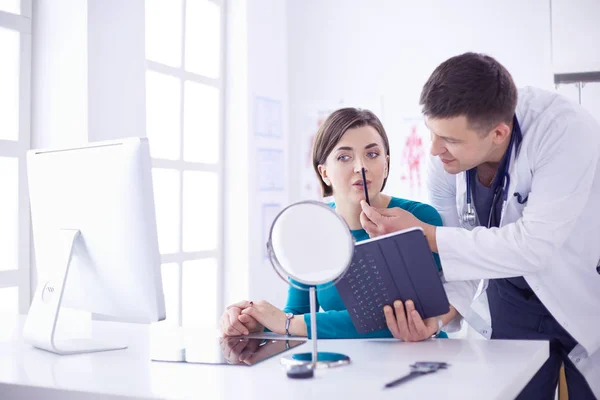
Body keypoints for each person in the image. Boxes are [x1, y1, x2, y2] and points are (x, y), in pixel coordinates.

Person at [359, 52, 600, 399]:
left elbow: (533, 247)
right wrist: (439, 317)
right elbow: (466, 255)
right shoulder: (444, 158)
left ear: (498, 133)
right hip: (510, 301)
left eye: (450, 140)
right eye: (432, 132)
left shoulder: (563, 131)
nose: (434, 150)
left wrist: (423, 235)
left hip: (578, 292)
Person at [219, 107, 456, 351]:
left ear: (386, 165)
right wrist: (256, 322)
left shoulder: (419, 219)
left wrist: (285, 323)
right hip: (347, 368)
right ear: (324, 173)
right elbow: (297, 314)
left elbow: (398, 318)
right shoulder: (311, 231)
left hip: (423, 361)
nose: (360, 167)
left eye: (372, 154)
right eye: (344, 157)